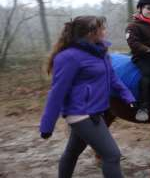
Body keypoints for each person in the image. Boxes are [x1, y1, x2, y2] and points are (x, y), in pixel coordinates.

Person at [39, 15, 136, 178]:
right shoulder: (69, 57)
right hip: (80, 113)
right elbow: (57, 93)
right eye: (102, 28)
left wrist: (128, 96)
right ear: (91, 33)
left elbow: (112, 77)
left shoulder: (100, 52)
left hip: (95, 111)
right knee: (112, 155)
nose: (105, 31)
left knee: (72, 152)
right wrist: (47, 125)